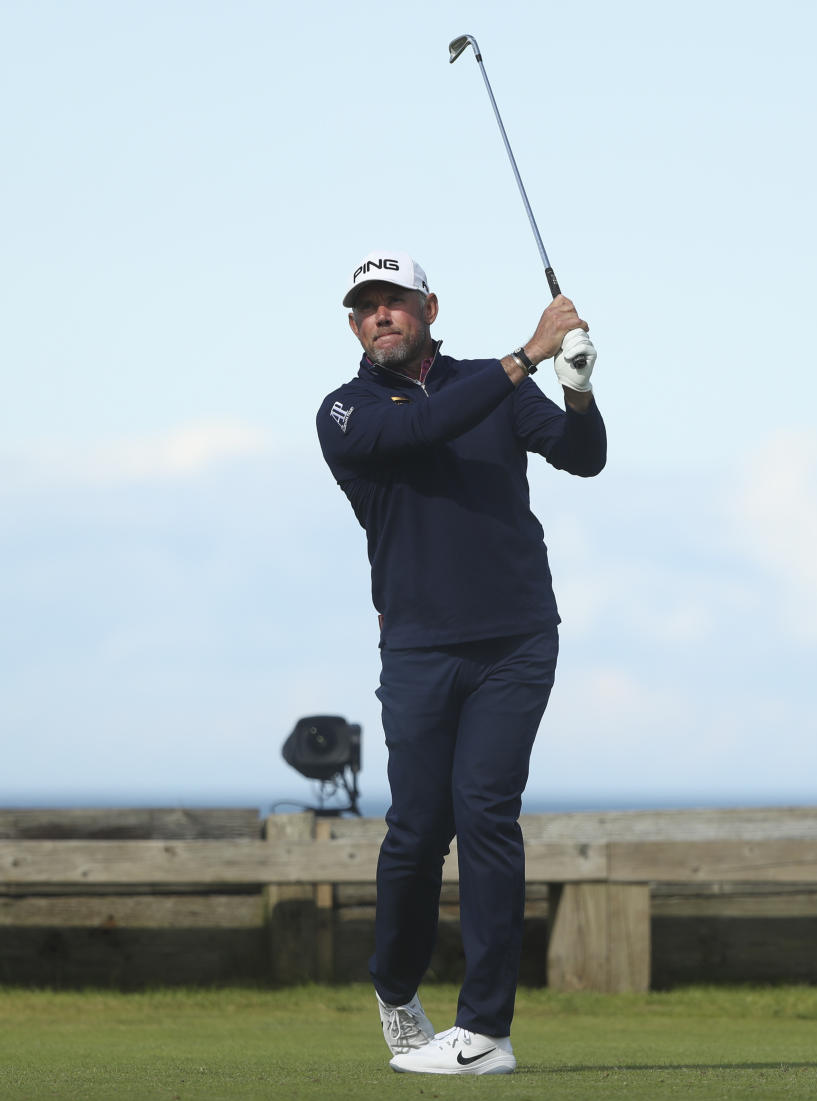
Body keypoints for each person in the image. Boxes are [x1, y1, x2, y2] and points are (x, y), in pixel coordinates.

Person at [316, 250, 606, 1075]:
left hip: (516, 638)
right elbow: (419, 429)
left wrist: (577, 385)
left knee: (485, 811)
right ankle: (396, 987)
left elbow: (583, 456)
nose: (381, 316)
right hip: (417, 646)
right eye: (366, 306)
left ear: (429, 308)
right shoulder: (345, 411)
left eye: (395, 302)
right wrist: (528, 356)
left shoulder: (497, 386)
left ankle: (484, 1031)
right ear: (352, 325)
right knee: (418, 829)